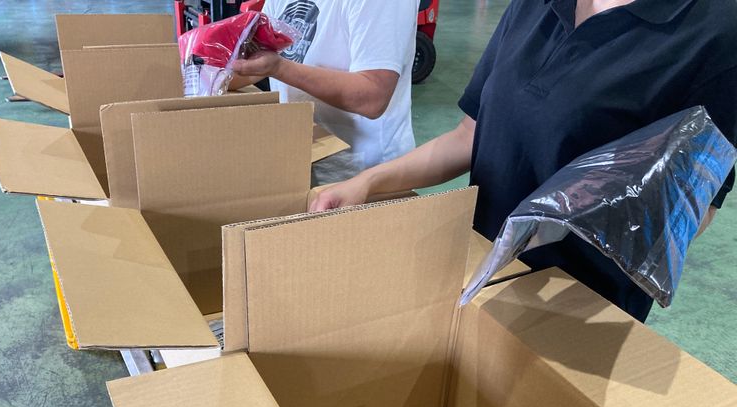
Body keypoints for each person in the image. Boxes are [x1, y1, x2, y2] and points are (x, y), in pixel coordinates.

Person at [309, 0, 737, 322]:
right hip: (480, 272)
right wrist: (368, 182)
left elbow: (694, 209)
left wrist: (591, 211)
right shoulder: (534, 5)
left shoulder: (717, 32)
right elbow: (468, 135)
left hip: (577, 306)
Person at [232, 0, 418, 180]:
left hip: (364, 176)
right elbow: (258, 61)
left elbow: (372, 97)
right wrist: (220, 71)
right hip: (301, 158)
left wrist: (279, 68)